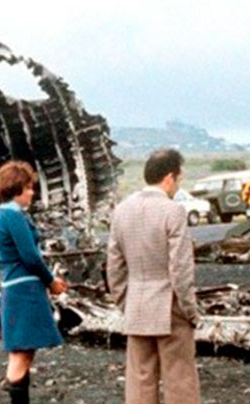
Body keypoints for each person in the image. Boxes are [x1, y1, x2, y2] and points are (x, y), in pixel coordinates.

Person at [106, 149, 200, 404]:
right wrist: (190, 311)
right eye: (179, 179)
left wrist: (126, 303)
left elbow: (114, 268)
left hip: (136, 306)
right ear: (169, 177)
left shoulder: (122, 211)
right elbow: (180, 270)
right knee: (180, 381)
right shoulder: (173, 211)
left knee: (139, 381)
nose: (178, 185)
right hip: (171, 307)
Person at [0, 160, 67, 404]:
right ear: (15, 188)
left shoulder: (5, 215)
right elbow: (30, 256)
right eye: (28, 188)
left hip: (17, 288)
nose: (32, 192)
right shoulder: (12, 215)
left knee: (23, 352)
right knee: (21, 355)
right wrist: (51, 281)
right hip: (23, 291)